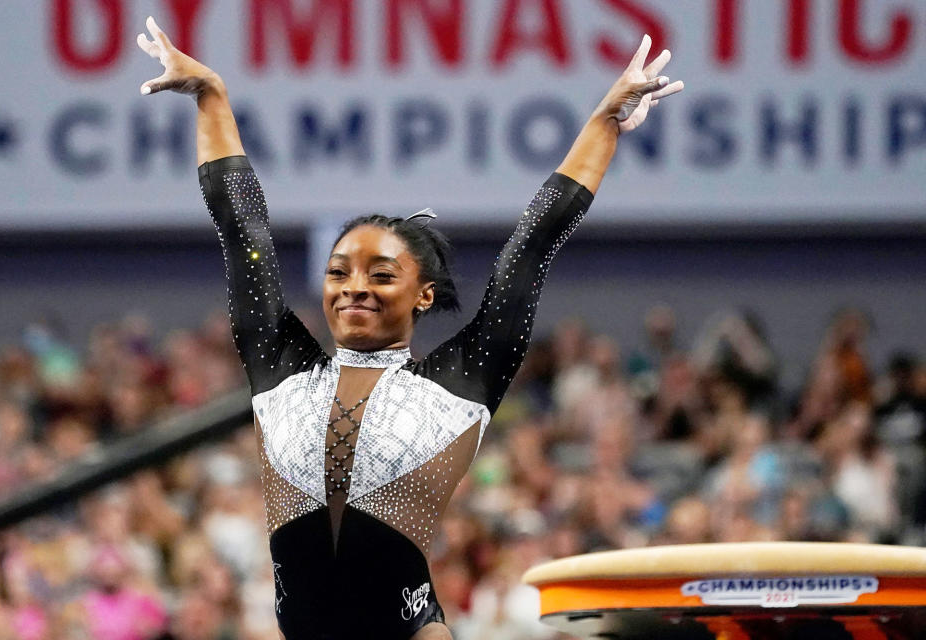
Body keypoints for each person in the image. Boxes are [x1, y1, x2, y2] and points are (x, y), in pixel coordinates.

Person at [137, 15, 683, 640]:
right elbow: (242, 230)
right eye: (340, 271)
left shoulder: (456, 388)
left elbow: (529, 250)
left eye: (381, 273)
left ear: (424, 294)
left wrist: (604, 123)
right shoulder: (281, 373)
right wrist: (213, 96)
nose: (355, 286)